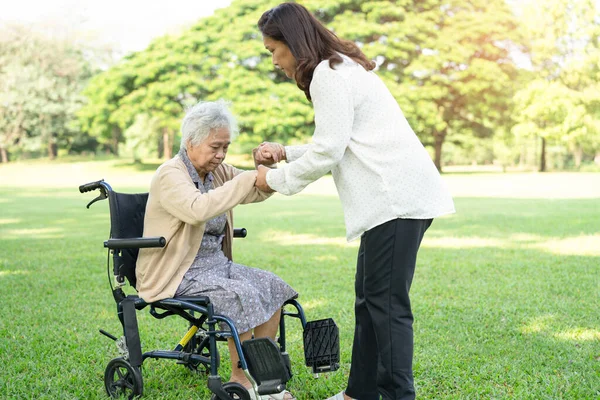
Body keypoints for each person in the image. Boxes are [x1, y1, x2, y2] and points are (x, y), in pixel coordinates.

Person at [254, 3, 455, 400]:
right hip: (392, 201)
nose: (274, 61)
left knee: (387, 306)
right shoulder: (338, 68)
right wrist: (285, 153)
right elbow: (339, 140)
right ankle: (359, 393)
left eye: (273, 50)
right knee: (369, 300)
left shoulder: (328, 76)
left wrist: (273, 180)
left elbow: (329, 151)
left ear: (293, 43)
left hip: (394, 200)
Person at [136, 100, 298, 400]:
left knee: (274, 287)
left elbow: (256, 189)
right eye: (215, 147)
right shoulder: (170, 174)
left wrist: (265, 170)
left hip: (216, 265)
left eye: (226, 146)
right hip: (179, 272)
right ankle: (242, 380)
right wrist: (249, 178)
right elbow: (198, 209)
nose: (221, 154)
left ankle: (267, 379)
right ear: (191, 142)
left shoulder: (217, 172)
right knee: (242, 294)